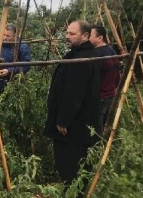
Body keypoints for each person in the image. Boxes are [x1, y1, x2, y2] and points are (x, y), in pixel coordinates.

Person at [43, 20, 101, 196]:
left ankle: (74, 193)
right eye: (67, 33)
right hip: (74, 126)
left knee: (71, 165)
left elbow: (74, 94)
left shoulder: (82, 59)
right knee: (72, 168)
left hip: (73, 128)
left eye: (72, 34)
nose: (67, 36)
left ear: (84, 36)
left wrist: (63, 120)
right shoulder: (77, 54)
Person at [89, 25, 120, 129]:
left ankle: (99, 144)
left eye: (90, 35)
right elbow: (117, 76)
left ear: (100, 38)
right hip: (110, 95)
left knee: (96, 129)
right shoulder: (111, 51)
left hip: (100, 97)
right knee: (106, 125)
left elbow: (92, 79)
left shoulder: (96, 54)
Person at [0, 23, 31, 93]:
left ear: (15, 36)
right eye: (4, 35)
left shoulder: (22, 47)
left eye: (8, 36)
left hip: (13, 83)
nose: (5, 38)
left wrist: (9, 71)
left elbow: (26, 66)